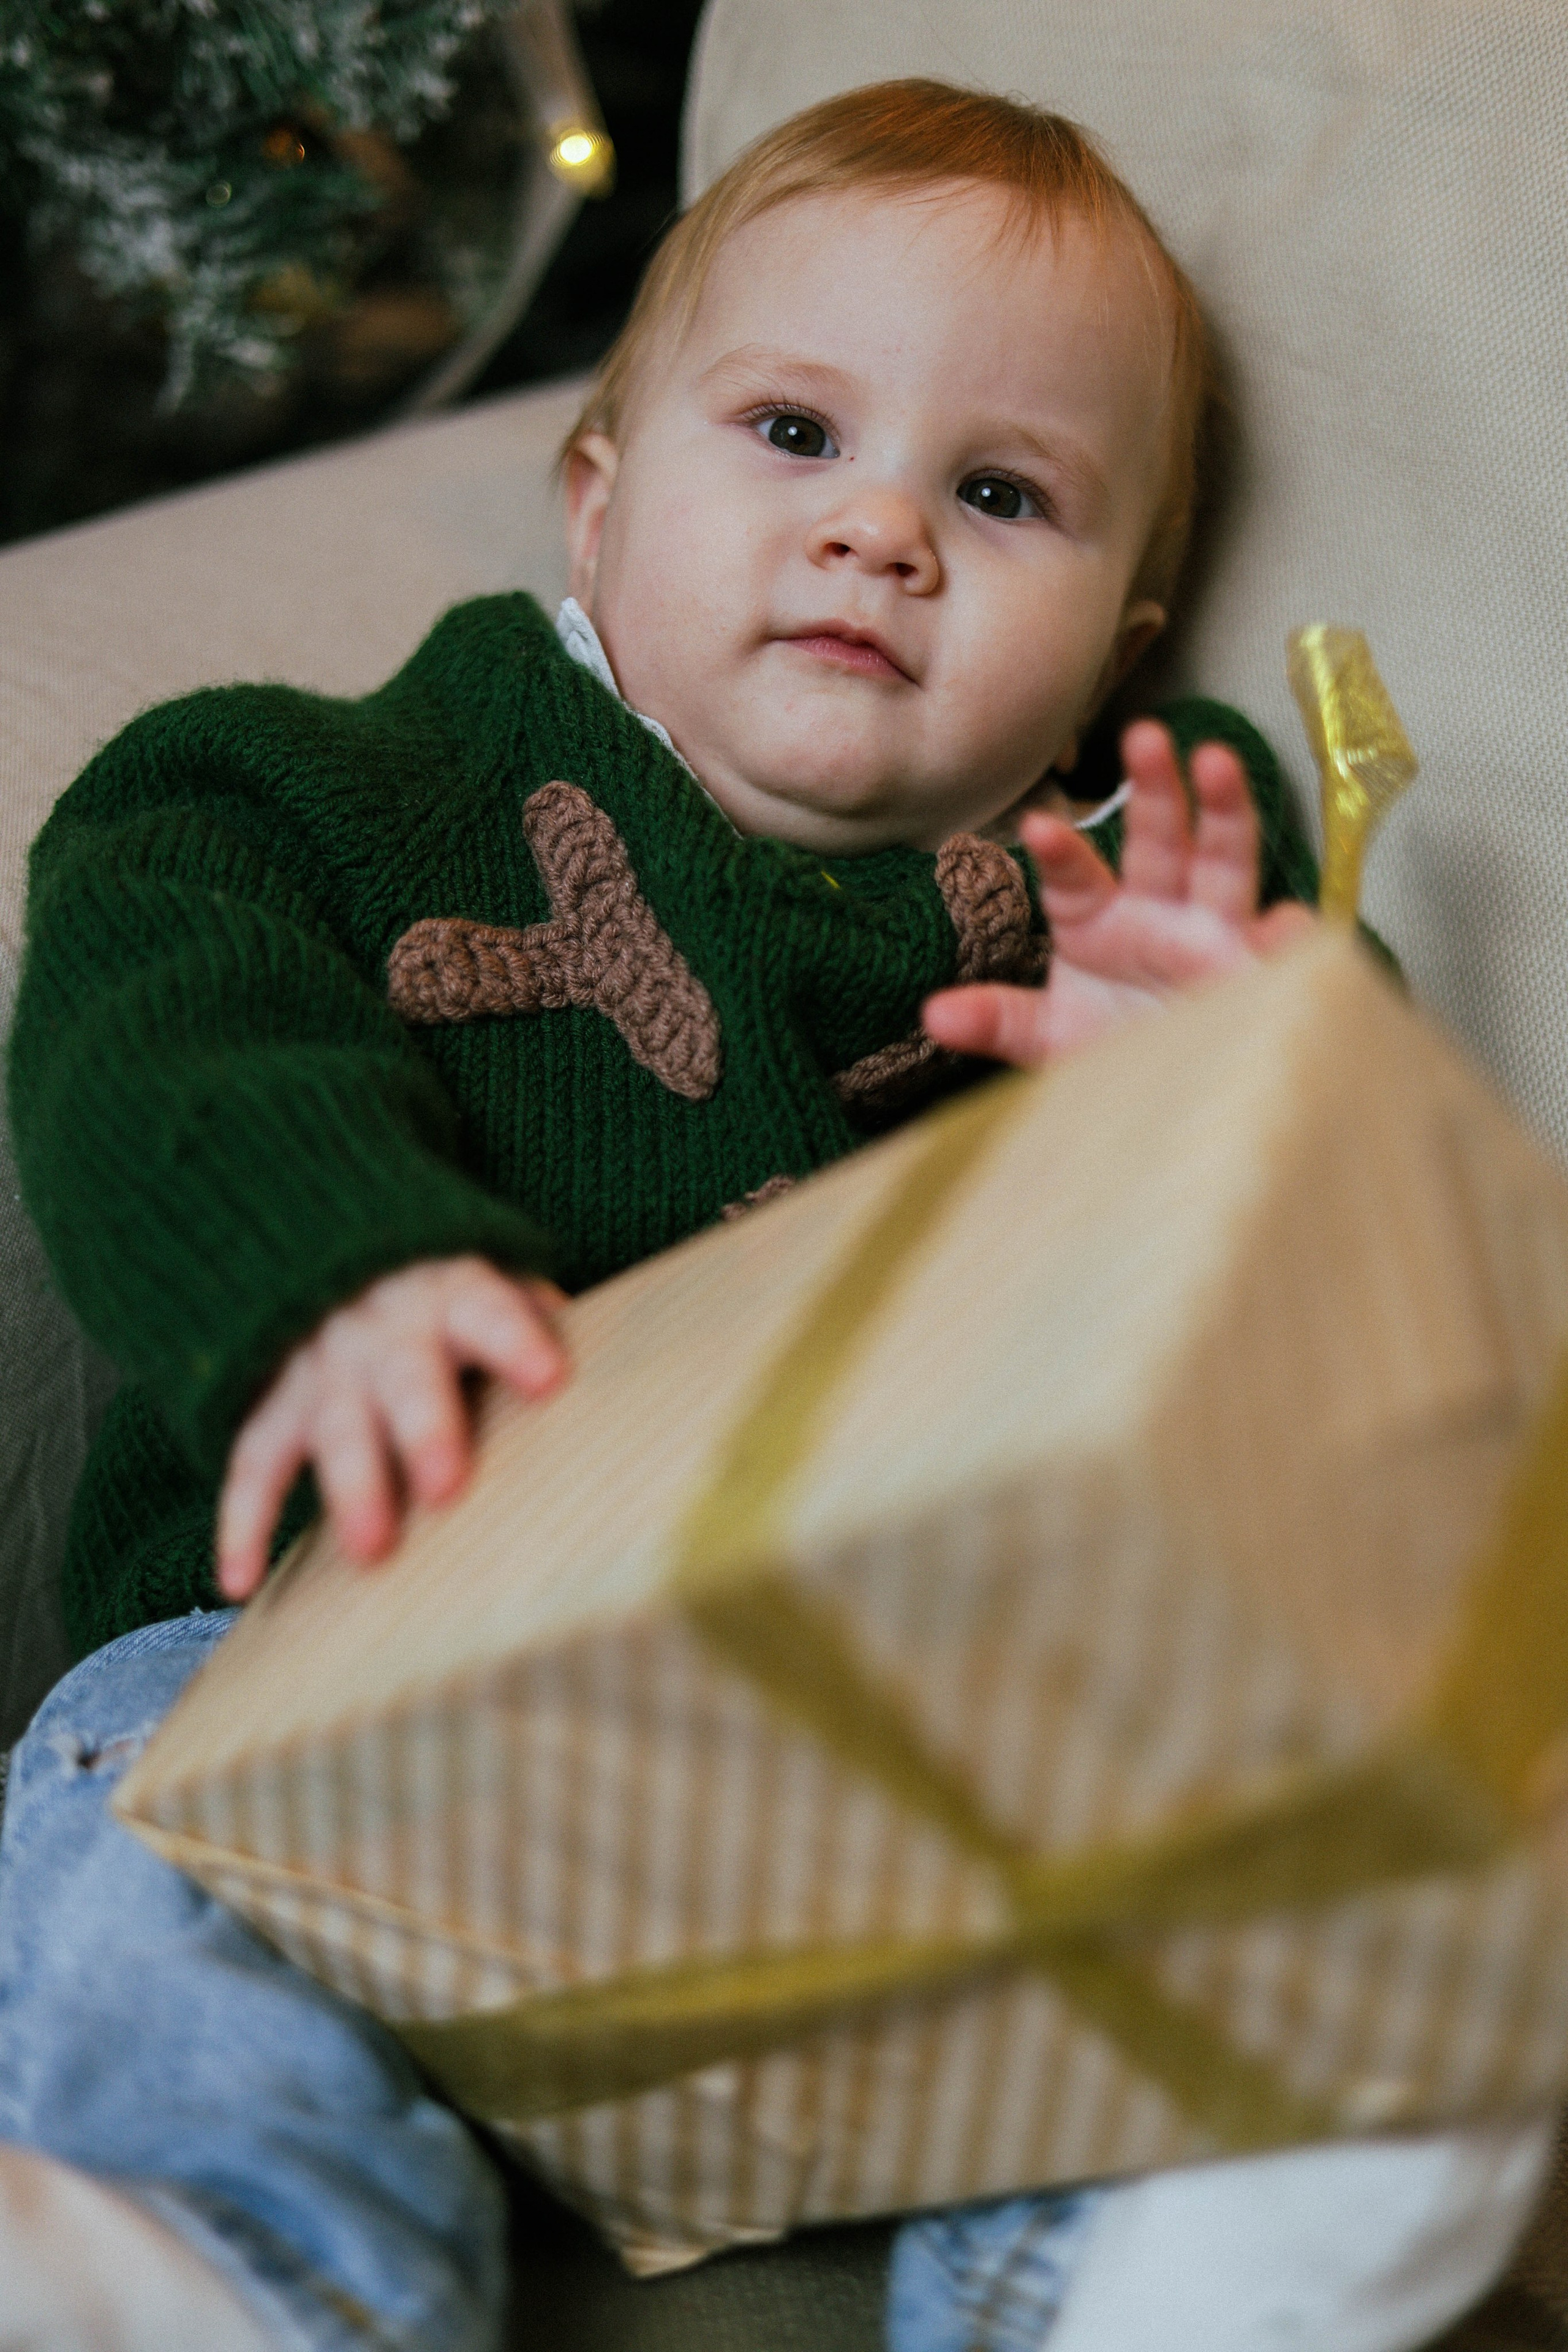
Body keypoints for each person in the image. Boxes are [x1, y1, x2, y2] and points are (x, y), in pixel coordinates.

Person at [1, 78, 1550, 2352]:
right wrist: (336, 1262)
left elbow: (1357, 1333)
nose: (883, 535)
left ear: (1121, 638)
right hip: (324, 1650)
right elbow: (162, 979)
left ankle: (1131, 2286)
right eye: (798, 435)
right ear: (600, 503)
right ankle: (221, 2255)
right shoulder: (329, 790)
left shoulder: (1108, 884)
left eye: (1000, 493)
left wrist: (1209, 1097)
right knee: (143, 1842)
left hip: (849, 1759)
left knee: (1171, 1853)